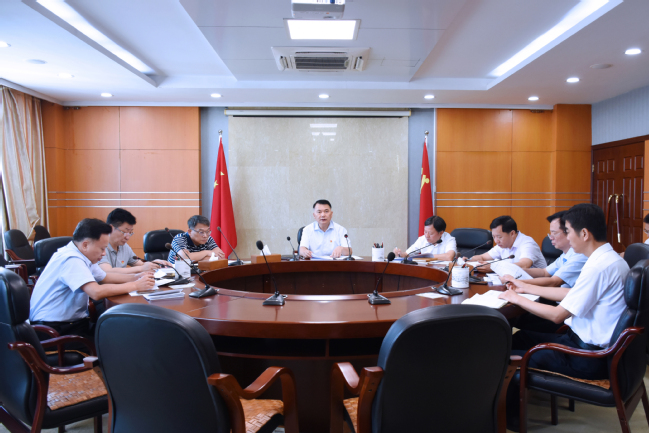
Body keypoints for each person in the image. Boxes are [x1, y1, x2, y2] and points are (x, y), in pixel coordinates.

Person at [500, 203, 629, 431]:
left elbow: (557, 315)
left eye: (567, 231)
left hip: (587, 357)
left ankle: (508, 421)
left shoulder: (598, 267)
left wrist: (517, 299)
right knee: (518, 338)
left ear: (584, 233)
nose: (567, 238)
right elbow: (571, 293)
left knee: (506, 356)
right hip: (581, 343)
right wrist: (523, 287)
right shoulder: (607, 259)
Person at [29, 218, 155, 340]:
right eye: (102, 248)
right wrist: (136, 285)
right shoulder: (71, 259)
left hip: (71, 324)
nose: (104, 253)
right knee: (123, 337)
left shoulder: (83, 255)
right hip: (54, 331)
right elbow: (96, 292)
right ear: (85, 245)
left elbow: (105, 277)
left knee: (124, 331)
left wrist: (136, 277)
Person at [501, 210, 588, 333]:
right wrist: (516, 271)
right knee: (519, 320)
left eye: (554, 233)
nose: (550, 237)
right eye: (550, 233)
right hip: (559, 303)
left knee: (520, 326)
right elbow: (544, 272)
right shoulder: (566, 254)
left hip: (567, 312)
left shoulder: (579, 256)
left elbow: (554, 282)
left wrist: (519, 283)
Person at [98, 208, 171, 274]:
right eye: (124, 232)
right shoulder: (100, 246)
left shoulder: (124, 247)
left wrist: (154, 263)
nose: (127, 237)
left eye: (130, 233)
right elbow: (107, 271)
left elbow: (140, 264)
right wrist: (141, 269)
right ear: (111, 228)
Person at [468, 215, 545, 271]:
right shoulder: (503, 245)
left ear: (512, 233)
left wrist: (494, 267)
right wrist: (469, 260)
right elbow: (482, 257)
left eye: (499, 237)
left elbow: (524, 265)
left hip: (537, 285)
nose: (496, 241)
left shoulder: (528, 244)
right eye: (494, 237)